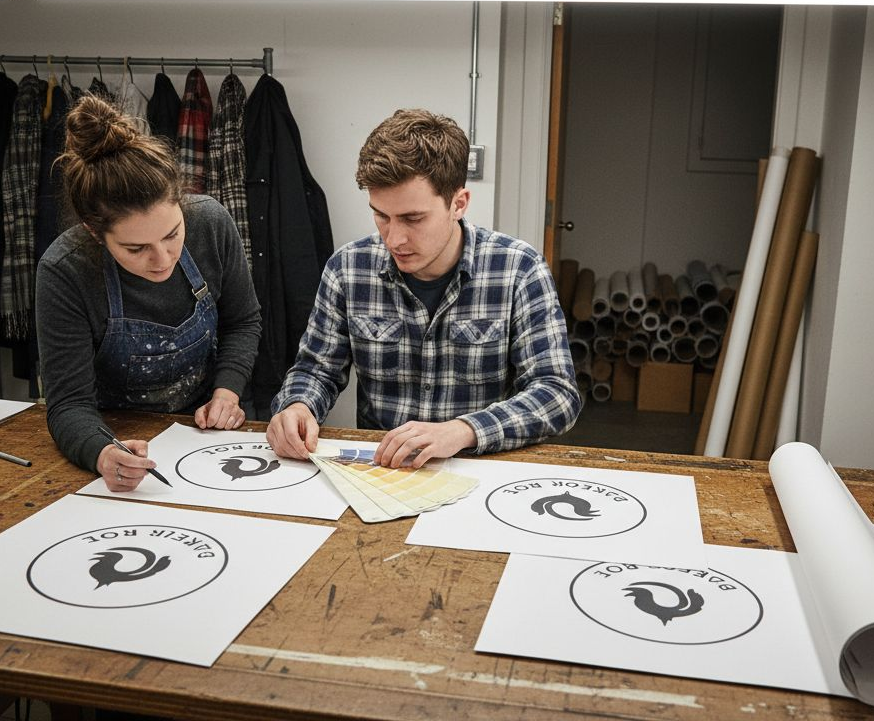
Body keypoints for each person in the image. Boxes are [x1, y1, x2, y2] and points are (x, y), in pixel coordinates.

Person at [266, 109, 581, 469]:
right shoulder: (347, 269)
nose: (394, 238)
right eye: (381, 216)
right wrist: (297, 405)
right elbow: (316, 370)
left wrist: (462, 430)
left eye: (412, 219)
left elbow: (557, 393)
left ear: (458, 204)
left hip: (476, 467)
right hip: (382, 473)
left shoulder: (519, 270)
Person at [37, 95, 261, 492]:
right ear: (95, 232)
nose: (162, 259)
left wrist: (227, 391)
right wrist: (102, 451)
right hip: (118, 433)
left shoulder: (211, 223)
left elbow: (242, 320)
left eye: (173, 234)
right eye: (136, 249)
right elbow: (69, 404)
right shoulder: (65, 271)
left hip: (207, 432)